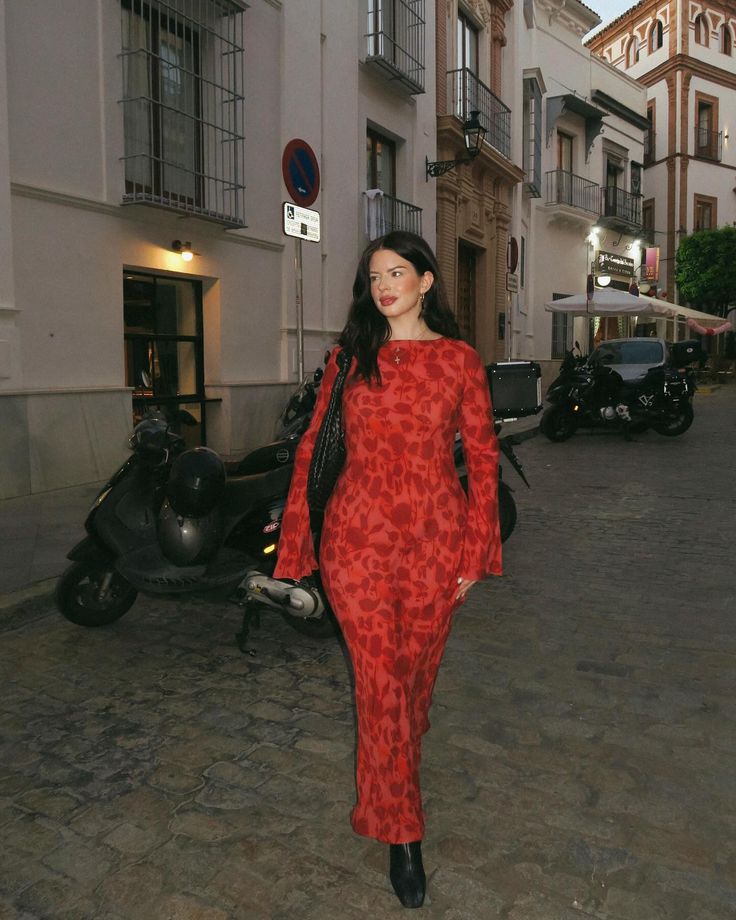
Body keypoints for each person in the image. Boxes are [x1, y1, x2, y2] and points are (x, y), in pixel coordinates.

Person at [274, 230, 501, 908]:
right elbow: (312, 448)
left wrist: (477, 550)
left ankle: (396, 749)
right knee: (379, 685)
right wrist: (297, 544)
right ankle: (403, 833)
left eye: (397, 272)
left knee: (412, 682)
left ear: (427, 281)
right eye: (375, 276)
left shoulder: (461, 361)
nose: (384, 285)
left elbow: (484, 459)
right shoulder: (349, 359)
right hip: (358, 541)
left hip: (436, 539)